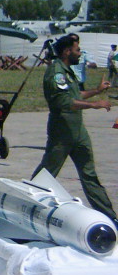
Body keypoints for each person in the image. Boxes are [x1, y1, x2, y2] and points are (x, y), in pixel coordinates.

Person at [32, 33, 116, 221]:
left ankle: (110, 217)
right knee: (47, 173)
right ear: (67, 51)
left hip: (78, 131)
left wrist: (96, 91)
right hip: (62, 131)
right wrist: (95, 105)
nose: (80, 53)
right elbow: (64, 102)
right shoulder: (57, 72)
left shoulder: (68, 71)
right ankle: (26, 203)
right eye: (77, 50)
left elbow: (76, 95)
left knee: (89, 176)